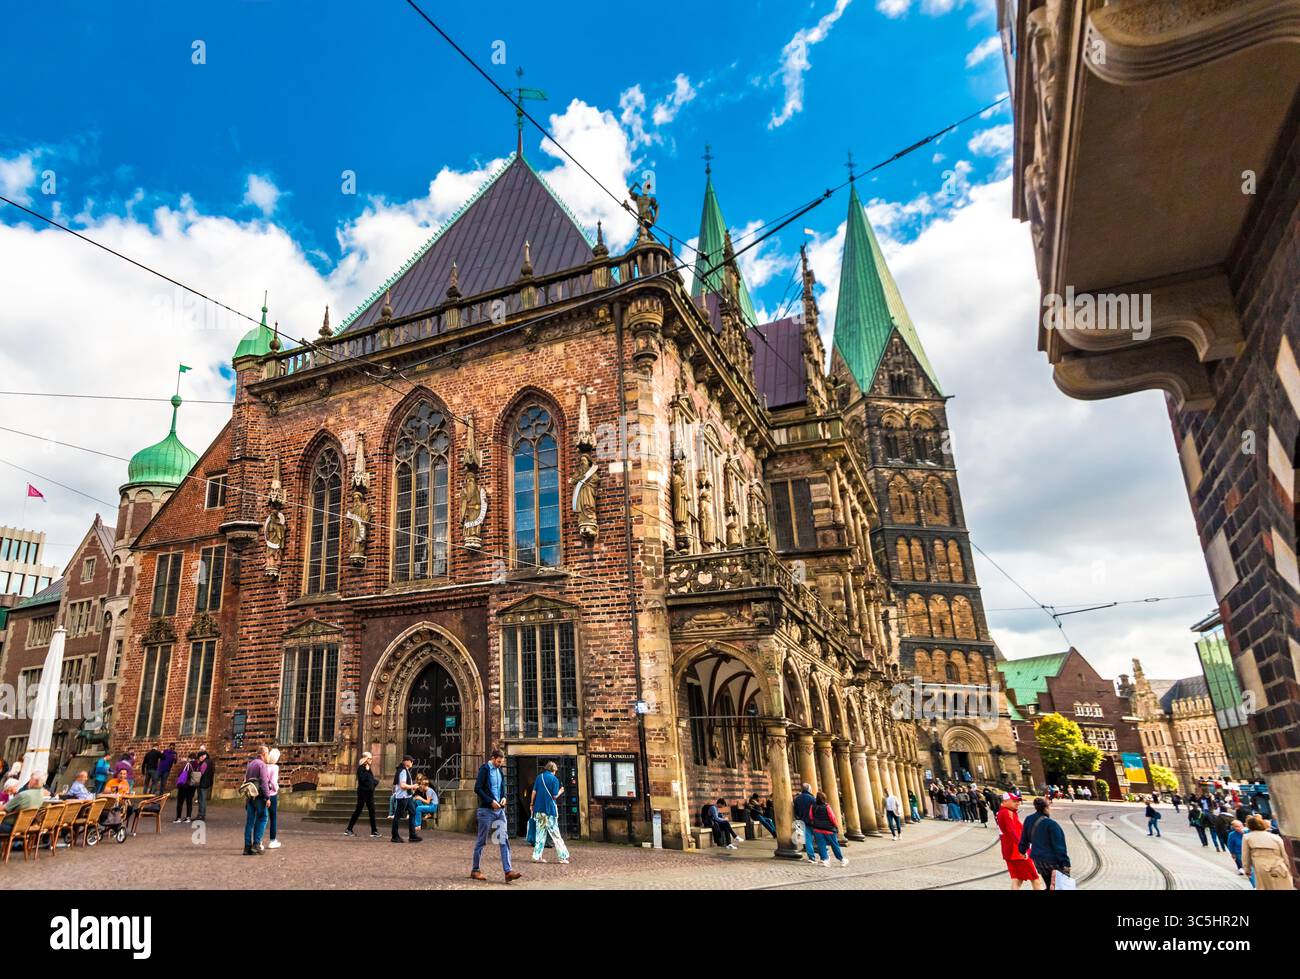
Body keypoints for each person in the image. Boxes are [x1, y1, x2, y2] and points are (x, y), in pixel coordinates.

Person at [470, 749, 520, 882]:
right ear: (493, 758)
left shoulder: (499, 771)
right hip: (486, 811)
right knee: (481, 841)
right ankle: (475, 870)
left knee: (504, 840)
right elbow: (478, 788)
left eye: (501, 762)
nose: (500, 764)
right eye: (498, 762)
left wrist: (504, 797)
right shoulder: (485, 769)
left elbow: (502, 788)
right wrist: (490, 801)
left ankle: (508, 872)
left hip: (499, 811)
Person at [996, 792, 1043, 890]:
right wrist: (1023, 848)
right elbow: (1012, 831)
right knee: (1035, 879)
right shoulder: (1006, 812)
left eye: (1018, 801)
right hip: (1017, 851)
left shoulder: (1004, 812)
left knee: (1017, 879)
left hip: (1010, 851)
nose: (1017, 803)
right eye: (1014, 801)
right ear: (1005, 801)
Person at [529, 760, 570, 864]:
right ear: (553, 770)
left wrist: (531, 804)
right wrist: (561, 791)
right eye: (555, 771)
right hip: (550, 810)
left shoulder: (539, 777)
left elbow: (534, 792)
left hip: (539, 810)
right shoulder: (554, 779)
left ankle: (537, 856)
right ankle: (563, 857)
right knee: (556, 834)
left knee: (540, 834)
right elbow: (554, 796)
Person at [1024, 797, 1071, 889]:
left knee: (1050, 885)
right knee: (1059, 887)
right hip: (1052, 861)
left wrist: (1022, 850)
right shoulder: (1051, 824)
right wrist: (1066, 863)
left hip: (1038, 860)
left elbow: (1024, 838)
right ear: (1046, 808)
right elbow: (1059, 846)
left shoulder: (1028, 819)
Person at [1241, 814, 1295, 890]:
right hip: (1279, 866)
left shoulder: (1247, 837)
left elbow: (1245, 855)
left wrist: (1247, 869)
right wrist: (1289, 868)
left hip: (1261, 867)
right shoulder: (1275, 837)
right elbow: (1284, 854)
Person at [242, 745, 272, 856]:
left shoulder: (251, 764)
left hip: (250, 796)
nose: (268, 756)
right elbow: (264, 783)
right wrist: (267, 797)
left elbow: (246, 780)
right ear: (264, 754)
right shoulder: (262, 765)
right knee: (263, 817)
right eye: (268, 753)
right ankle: (256, 844)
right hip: (259, 796)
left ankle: (247, 847)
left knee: (250, 822)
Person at [345, 751, 380, 838]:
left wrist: (375, 783)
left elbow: (371, 780)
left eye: (371, 759)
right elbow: (362, 779)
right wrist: (367, 771)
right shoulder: (361, 768)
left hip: (369, 793)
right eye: (369, 759)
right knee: (358, 810)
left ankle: (374, 831)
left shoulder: (368, 768)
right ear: (366, 759)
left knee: (372, 811)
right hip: (363, 793)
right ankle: (349, 829)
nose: (371, 760)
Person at [809, 791, 848, 867]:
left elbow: (811, 817)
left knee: (821, 845)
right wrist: (836, 826)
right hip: (829, 829)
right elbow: (832, 818)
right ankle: (841, 859)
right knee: (834, 845)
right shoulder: (827, 806)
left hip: (817, 829)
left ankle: (825, 860)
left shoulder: (812, 806)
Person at [390, 755, 420, 843]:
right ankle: (395, 836)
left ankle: (412, 835)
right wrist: (412, 786)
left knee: (413, 812)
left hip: (408, 796)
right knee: (397, 816)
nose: (412, 763)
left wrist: (412, 788)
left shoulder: (405, 770)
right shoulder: (403, 771)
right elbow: (402, 785)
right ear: (406, 761)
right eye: (411, 761)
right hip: (403, 797)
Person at [793, 783, 818, 862]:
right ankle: (824, 856)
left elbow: (796, 811)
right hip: (813, 822)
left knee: (808, 840)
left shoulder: (797, 799)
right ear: (809, 789)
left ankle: (811, 857)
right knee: (819, 839)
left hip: (803, 821)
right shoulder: (812, 799)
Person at [263, 747, 282, 849]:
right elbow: (274, 782)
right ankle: (272, 840)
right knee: (273, 818)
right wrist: (277, 788)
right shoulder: (275, 767)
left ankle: (259, 841)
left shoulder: (264, 766)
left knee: (262, 818)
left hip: (263, 795)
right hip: (272, 795)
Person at [174, 754, 197, 823]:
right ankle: (188, 817)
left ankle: (178, 818)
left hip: (184, 785)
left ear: (189, 758)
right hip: (192, 786)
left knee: (180, 802)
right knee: (189, 802)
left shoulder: (186, 765)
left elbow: (180, 774)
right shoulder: (197, 765)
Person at [194, 750, 213, 821]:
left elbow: (201, 773)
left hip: (202, 783)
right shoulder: (210, 762)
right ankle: (202, 814)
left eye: (199, 758)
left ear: (202, 756)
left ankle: (201, 815)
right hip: (207, 783)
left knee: (201, 800)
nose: (199, 759)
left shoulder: (204, 763)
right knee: (203, 799)